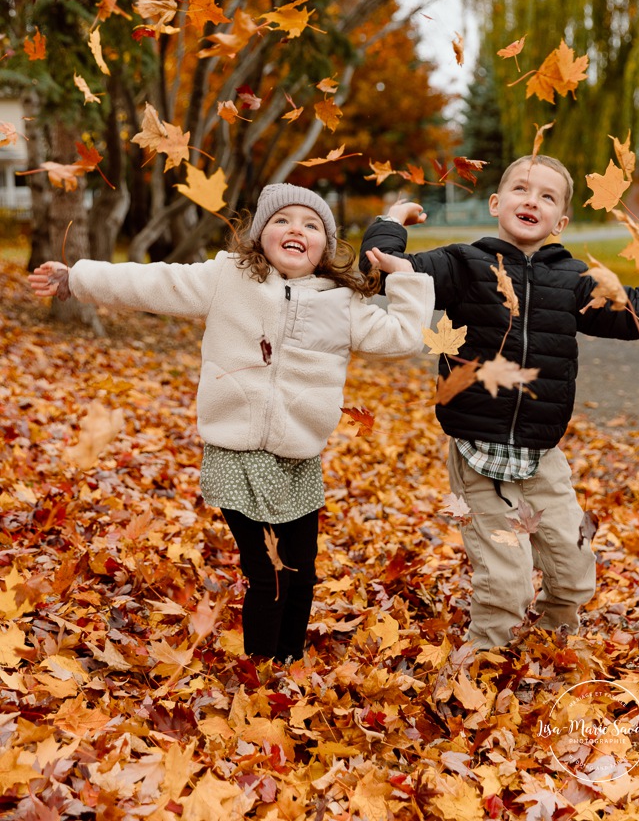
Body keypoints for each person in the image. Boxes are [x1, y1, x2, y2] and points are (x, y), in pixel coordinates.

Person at [30, 183, 435, 664]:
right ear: (261, 233)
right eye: (283, 221)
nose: (296, 230)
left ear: (325, 245)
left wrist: (407, 279)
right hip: (236, 453)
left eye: (311, 225)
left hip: (298, 459)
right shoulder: (229, 278)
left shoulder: (340, 303)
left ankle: (288, 661)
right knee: (267, 570)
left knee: (300, 570)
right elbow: (155, 283)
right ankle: (261, 671)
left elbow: (405, 337)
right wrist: (78, 278)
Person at [360, 155, 639, 650]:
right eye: (520, 189)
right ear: (497, 203)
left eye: (547, 196)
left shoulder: (575, 281)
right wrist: (389, 226)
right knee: (507, 577)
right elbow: (392, 272)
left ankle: (554, 639)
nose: (530, 200)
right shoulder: (464, 264)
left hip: (542, 451)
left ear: (561, 221)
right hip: (479, 449)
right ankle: (484, 659)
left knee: (574, 566)